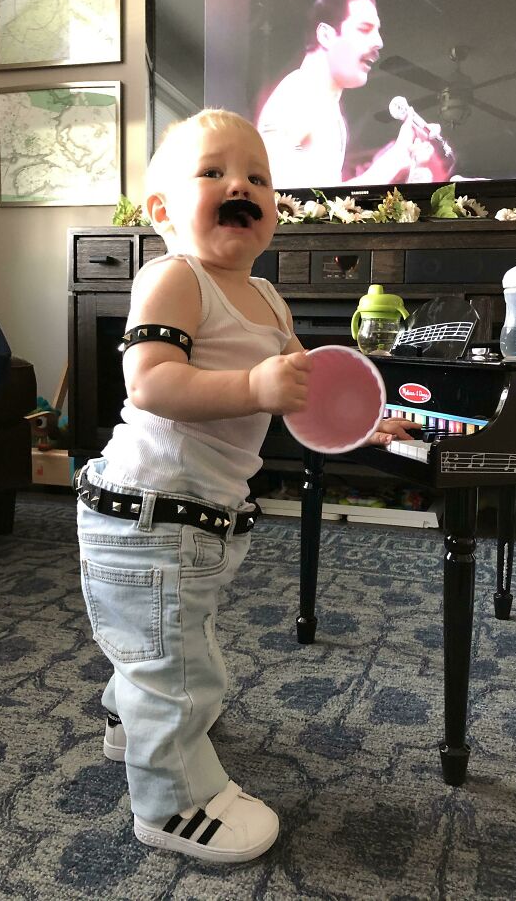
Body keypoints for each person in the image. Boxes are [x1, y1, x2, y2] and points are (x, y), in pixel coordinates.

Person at [75, 108, 419, 865]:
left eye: (258, 177)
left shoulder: (267, 298)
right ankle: (175, 804)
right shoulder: (174, 277)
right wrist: (255, 383)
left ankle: (130, 721)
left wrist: (368, 418)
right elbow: (153, 381)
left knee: (168, 642)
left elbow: (310, 390)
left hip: (197, 522)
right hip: (148, 515)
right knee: (179, 669)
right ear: (162, 210)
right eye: (213, 173)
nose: (240, 186)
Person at [256, 0, 445, 188]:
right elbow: (283, 202)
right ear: (326, 35)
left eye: (377, 31)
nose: (378, 42)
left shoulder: (324, 104)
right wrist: (393, 162)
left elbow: (324, 202)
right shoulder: (300, 94)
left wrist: (403, 166)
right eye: (364, 29)